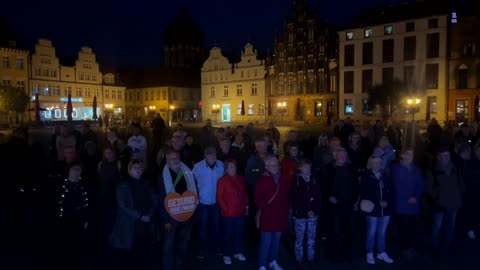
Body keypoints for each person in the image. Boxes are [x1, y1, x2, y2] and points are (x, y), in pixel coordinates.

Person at [109, 160, 156, 270]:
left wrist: (150, 214)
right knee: (130, 254)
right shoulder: (123, 186)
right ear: (129, 170)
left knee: (143, 252)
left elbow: (154, 200)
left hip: (146, 223)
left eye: (140, 167)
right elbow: (123, 206)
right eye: (135, 167)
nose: (138, 170)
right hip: (130, 224)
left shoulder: (146, 184)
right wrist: (140, 216)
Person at [157, 149, 198, 270]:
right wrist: (165, 220)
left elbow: (194, 193)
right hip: (170, 218)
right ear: (167, 160)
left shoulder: (187, 173)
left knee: (183, 244)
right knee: (168, 246)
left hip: (187, 215)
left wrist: (192, 212)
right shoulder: (162, 177)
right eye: (171, 158)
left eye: (177, 157)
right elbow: (160, 200)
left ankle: (180, 267)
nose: (175, 160)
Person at [425, 147, 464, 256]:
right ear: (438, 157)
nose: (446, 158)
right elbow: (429, 188)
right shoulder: (433, 171)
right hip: (439, 204)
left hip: (453, 202)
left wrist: (458, 195)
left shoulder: (455, 168)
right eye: (443, 156)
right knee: (437, 227)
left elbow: (460, 184)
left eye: (447, 155)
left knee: (450, 226)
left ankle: (449, 246)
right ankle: (435, 247)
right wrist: (438, 196)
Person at [255, 156, 291, 270]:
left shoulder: (283, 179)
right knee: (266, 241)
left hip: (280, 215)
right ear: (266, 167)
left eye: (275, 164)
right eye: (271, 165)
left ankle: (273, 261)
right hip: (268, 216)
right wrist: (266, 207)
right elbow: (257, 198)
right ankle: (262, 264)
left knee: (276, 241)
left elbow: (288, 196)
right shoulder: (263, 179)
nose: (274, 167)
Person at [326, 148, 359, 263]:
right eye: (340, 156)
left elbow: (356, 186)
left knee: (347, 230)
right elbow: (324, 185)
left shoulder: (351, 169)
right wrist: (329, 196)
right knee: (335, 230)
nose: (342, 158)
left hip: (348, 204)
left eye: (344, 156)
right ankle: (334, 254)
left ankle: (347, 253)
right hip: (334, 205)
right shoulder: (329, 169)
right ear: (336, 156)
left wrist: (355, 200)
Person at [360, 156, 394, 265]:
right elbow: (364, 193)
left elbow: (391, 190)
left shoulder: (386, 175)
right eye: (375, 163)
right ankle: (369, 252)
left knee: (382, 232)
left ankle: (381, 252)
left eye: (379, 162)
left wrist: (387, 201)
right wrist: (378, 201)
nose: (377, 165)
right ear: (370, 164)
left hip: (385, 209)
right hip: (373, 209)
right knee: (371, 232)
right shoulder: (366, 177)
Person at [192, 147, 224, 259]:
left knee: (216, 226)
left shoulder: (221, 165)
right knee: (203, 227)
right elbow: (192, 182)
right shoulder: (197, 167)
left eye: (214, 154)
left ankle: (215, 247)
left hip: (216, 202)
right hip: (203, 202)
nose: (212, 157)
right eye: (209, 154)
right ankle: (201, 249)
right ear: (205, 155)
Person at [391, 148, 423, 259]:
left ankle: (411, 246)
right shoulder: (396, 168)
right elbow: (397, 185)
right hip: (402, 202)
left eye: (412, 154)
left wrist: (415, 196)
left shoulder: (416, 169)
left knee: (413, 227)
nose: (410, 156)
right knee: (403, 227)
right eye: (408, 154)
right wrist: (408, 197)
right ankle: (404, 247)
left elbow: (420, 184)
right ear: (402, 155)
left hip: (414, 203)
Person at [217, 159, 249, 265]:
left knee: (239, 234)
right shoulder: (222, 180)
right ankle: (226, 254)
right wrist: (226, 209)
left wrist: (246, 206)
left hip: (240, 212)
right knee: (227, 234)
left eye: (234, 166)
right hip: (228, 214)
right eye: (230, 167)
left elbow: (245, 193)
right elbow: (219, 197)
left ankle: (237, 252)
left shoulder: (241, 178)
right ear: (226, 169)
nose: (233, 168)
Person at [291, 159, 321, 269]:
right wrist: (305, 211)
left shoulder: (314, 180)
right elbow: (295, 199)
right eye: (305, 167)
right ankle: (299, 258)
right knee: (299, 237)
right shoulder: (296, 180)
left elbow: (318, 197)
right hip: (300, 215)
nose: (307, 169)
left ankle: (311, 257)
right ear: (300, 168)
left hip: (313, 215)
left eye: (309, 167)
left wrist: (315, 210)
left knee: (311, 237)